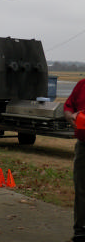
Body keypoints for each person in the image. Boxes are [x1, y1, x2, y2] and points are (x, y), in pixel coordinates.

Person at [64, 79, 85, 242]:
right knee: (81, 187)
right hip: (83, 145)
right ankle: (80, 229)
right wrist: (71, 115)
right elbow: (69, 105)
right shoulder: (82, 85)